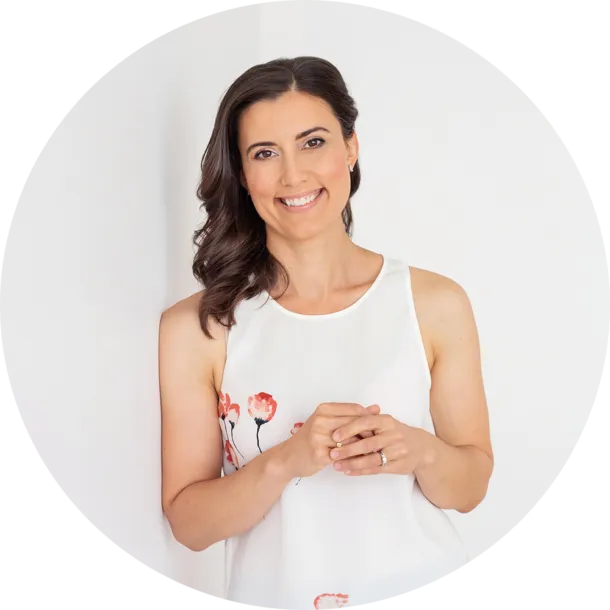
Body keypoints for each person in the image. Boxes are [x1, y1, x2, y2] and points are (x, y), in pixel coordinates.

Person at [158, 56, 493, 608]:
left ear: (350, 148)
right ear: (243, 175)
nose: (294, 175)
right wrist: (287, 459)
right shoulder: (200, 327)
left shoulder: (434, 303)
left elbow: (471, 487)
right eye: (265, 154)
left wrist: (419, 452)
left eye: (313, 143)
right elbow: (190, 525)